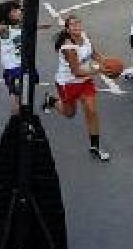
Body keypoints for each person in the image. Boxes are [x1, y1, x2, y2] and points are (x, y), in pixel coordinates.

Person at [41, 13, 111, 161]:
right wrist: (99, 70)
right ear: (67, 30)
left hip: (85, 81)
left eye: (78, 23)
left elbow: (93, 53)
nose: (77, 26)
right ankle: (52, 101)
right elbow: (76, 71)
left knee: (92, 111)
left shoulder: (84, 36)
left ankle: (95, 147)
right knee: (69, 114)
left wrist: (106, 61)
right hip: (68, 83)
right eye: (73, 25)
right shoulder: (69, 47)